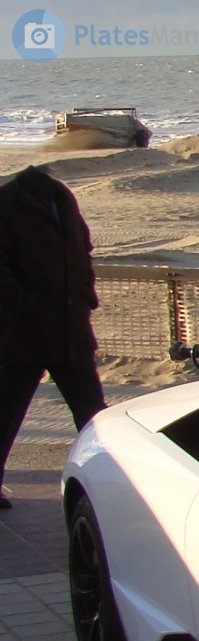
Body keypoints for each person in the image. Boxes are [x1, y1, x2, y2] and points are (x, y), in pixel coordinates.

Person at [0, 165, 107, 509]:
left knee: (93, 416)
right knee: (6, 414)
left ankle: (112, 480)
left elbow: (83, 250)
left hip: (71, 331)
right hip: (22, 336)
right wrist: (21, 309)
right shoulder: (7, 204)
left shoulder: (62, 199)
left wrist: (86, 296)